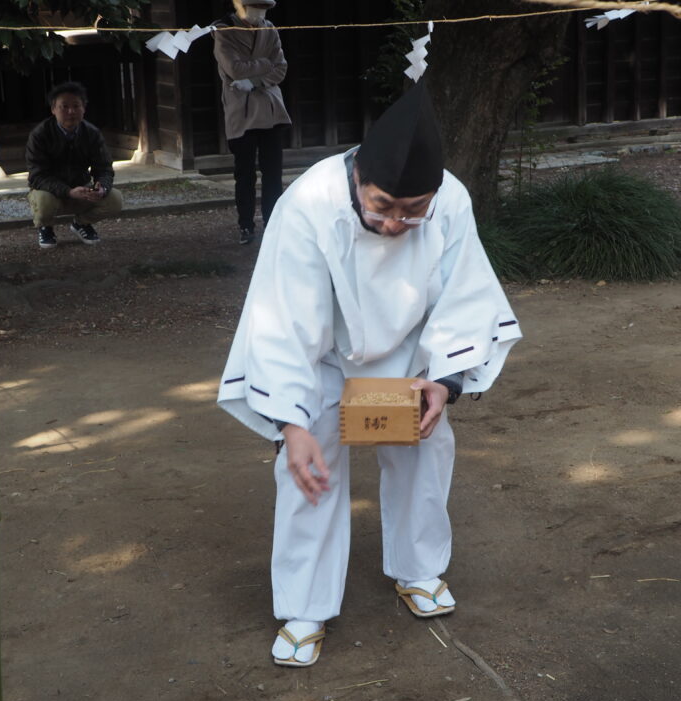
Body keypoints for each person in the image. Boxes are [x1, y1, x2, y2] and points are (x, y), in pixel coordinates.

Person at [216, 80, 522, 667]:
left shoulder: (450, 199)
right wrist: (292, 424)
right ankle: (305, 606)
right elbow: (285, 318)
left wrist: (447, 379)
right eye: (382, 206)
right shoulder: (309, 203)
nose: (393, 224)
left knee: (425, 453)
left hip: (410, 352)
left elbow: (464, 292)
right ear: (358, 177)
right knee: (309, 469)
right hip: (324, 357)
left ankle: (419, 570)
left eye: (413, 212)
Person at [212, 0, 291, 245]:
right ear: (240, 6)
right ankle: (246, 225)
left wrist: (256, 81)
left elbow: (281, 68)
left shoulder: (270, 29)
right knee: (244, 174)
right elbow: (234, 68)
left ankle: (273, 224)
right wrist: (264, 64)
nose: (260, 13)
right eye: (255, 7)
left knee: (273, 174)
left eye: (263, 9)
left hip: (270, 108)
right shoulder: (223, 31)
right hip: (242, 110)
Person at [25, 81, 124, 249]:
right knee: (43, 202)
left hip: (82, 188)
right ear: (53, 109)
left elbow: (104, 168)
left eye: (76, 106)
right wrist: (68, 191)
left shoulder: (92, 133)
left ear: (83, 109)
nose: (71, 112)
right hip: (50, 192)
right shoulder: (40, 134)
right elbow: (37, 175)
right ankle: (46, 227)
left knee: (115, 199)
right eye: (64, 107)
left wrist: (102, 188)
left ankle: (81, 224)